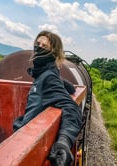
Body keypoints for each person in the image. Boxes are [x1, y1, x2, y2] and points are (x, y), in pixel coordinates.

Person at [13, 30, 82, 166]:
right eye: (37, 44)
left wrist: (63, 141)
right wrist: (67, 85)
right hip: (22, 139)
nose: (39, 47)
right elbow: (67, 87)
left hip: (26, 145)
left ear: (54, 53)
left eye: (44, 46)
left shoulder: (48, 77)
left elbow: (72, 108)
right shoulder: (47, 73)